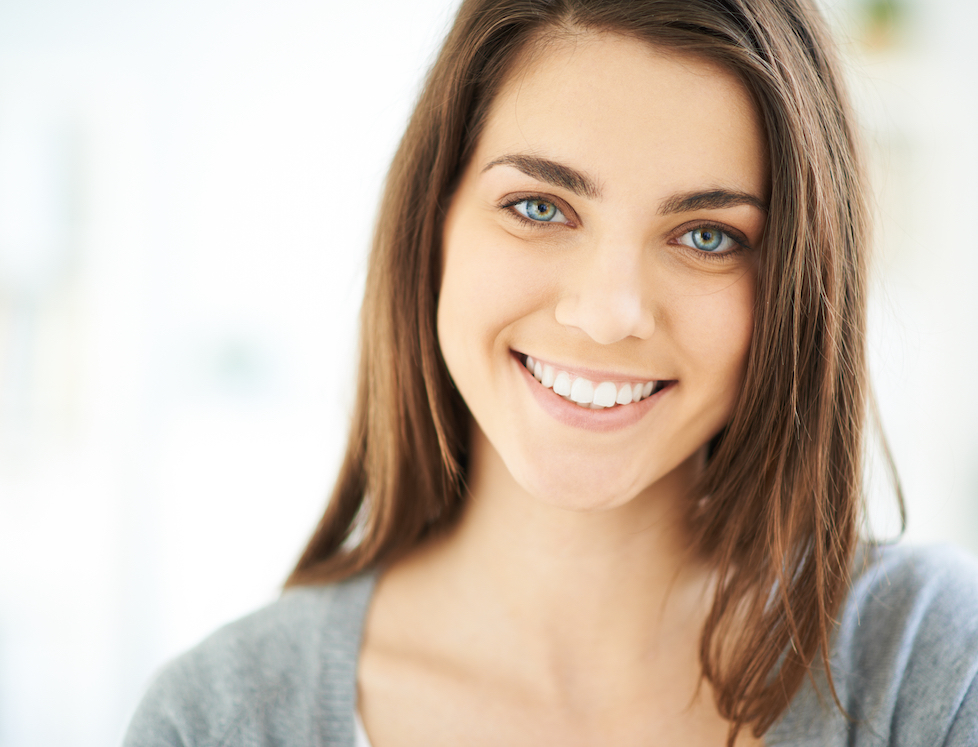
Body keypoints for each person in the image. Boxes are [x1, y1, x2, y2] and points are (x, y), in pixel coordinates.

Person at [124, 0, 978, 745]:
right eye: (540, 206)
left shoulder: (928, 669)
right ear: (435, 225)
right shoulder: (222, 716)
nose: (610, 311)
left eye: (708, 234)